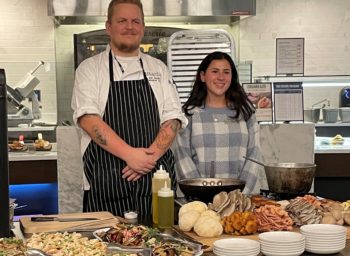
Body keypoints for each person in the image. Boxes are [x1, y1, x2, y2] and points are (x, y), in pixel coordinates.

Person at [71, 0, 187, 218]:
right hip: (106, 180)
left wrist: (147, 159)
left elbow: (173, 119)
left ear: (143, 27)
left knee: (160, 246)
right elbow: (88, 119)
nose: (129, 26)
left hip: (155, 180)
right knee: (105, 248)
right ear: (109, 26)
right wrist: (130, 156)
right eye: (122, 20)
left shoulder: (158, 68)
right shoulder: (90, 69)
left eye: (136, 21)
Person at [172, 51, 267, 195]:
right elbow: (182, 157)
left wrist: (240, 195)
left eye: (226, 72)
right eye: (215, 71)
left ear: (232, 77)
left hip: (240, 201)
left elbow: (254, 154)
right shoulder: (189, 114)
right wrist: (200, 193)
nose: (221, 77)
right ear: (203, 76)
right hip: (200, 201)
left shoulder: (246, 112)